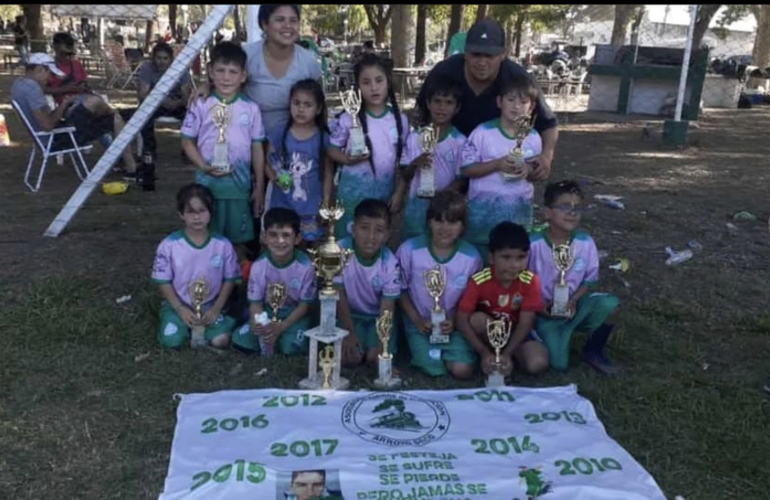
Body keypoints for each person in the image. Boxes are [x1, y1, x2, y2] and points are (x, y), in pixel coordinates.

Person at [416, 18, 558, 182]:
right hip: (448, 164)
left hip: (496, 171)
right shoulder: (444, 71)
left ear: (503, 54)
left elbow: (548, 123)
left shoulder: (518, 78)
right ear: (465, 53)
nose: (482, 62)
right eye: (476, 54)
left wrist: (546, 157)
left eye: (489, 55)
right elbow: (422, 113)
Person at [181, 42, 265, 255]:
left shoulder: (251, 108)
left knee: (238, 243)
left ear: (243, 76)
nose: (226, 77)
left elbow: (257, 148)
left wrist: (259, 186)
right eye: (220, 70)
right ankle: (210, 284)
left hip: (239, 187)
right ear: (210, 72)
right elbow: (187, 141)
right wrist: (203, 165)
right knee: (208, 240)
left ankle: (233, 284)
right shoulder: (200, 103)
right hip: (207, 189)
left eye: (233, 72)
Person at [528, 180, 620, 374]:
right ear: (547, 212)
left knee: (610, 305)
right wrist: (540, 308)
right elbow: (523, 282)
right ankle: (539, 333)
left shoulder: (585, 242)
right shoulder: (533, 244)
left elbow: (589, 280)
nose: (572, 212)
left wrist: (574, 300)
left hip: (574, 306)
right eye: (564, 206)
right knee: (558, 365)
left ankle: (594, 350)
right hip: (542, 311)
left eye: (577, 207)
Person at [193, 5, 322, 134]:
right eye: (280, 19)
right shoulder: (246, 56)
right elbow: (225, 80)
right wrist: (208, 87)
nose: (287, 25)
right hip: (246, 137)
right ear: (265, 24)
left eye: (293, 20)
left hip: (293, 141)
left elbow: (319, 103)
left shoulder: (308, 61)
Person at [396, 191, 482, 379]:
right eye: (439, 221)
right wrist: (417, 320)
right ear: (429, 222)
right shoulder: (409, 250)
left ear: (462, 226)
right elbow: (400, 290)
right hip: (419, 324)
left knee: (462, 370)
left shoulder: (472, 257)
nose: (445, 228)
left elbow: (472, 298)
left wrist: (455, 322)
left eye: (452, 222)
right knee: (433, 367)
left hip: (452, 325)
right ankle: (422, 349)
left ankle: (453, 351)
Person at [11, 53, 138, 177]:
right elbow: (47, 125)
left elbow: (46, 119)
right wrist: (64, 105)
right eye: (49, 73)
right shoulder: (32, 88)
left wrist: (66, 104)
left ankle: (131, 166)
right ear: (39, 69)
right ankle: (131, 166)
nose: (50, 79)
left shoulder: (19, 84)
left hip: (53, 135)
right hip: (57, 139)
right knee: (97, 103)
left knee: (100, 109)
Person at [460, 72, 543, 262]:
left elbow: (534, 169)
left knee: (511, 268)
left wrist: (527, 170)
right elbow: (467, 169)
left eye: (523, 102)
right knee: (480, 268)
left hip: (518, 216)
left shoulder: (533, 137)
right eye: (511, 99)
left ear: (532, 107)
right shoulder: (482, 133)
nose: (516, 106)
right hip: (483, 219)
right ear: (499, 102)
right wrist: (497, 164)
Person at [327, 53, 409, 239]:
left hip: (381, 197)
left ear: (388, 81)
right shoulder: (349, 118)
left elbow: (405, 162)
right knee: (347, 246)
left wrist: (399, 192)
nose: (374, 87)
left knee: (373, 244)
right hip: (350, 197)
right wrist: (346, 159)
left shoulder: (399, 121)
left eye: (379, 80)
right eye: (366, 82)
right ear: (358, 86)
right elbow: (331, 150)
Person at [456, 221, 550, 379]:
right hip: (489, 331)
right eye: (506, 257)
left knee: (537, 364)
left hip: (517, 333)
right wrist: (483, 351)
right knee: (477, 319)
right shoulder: (479, 280)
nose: (514, 265)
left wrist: (507, 353)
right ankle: (489, 355)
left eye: (521, 257)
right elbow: (461, 319)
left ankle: (507, 357)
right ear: (492, 257)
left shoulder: (531, 281)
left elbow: (526, 322)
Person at [151, 184, 241, 349]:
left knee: (220, 341)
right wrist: (179, 308)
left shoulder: (222, 245)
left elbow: (230, 280)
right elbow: (163, 281)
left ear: (210, 213)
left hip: (210, 305)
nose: (197, 217)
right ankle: (178, 322)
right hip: (179, 304)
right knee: (171, 341)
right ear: (181, 215)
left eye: (201, 211)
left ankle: (213, 325)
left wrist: (216, 308)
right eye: (191, 212)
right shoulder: (169, 245)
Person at [233, 207, 317, 355]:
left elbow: (304, 306)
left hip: (293, 315)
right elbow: (255, 303)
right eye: (273, 235)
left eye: (286, 235)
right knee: (242, 340)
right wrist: (257, 321)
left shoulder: (305, 266)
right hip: (267, 312)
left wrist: (281, 326)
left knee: (290, 347)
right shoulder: (259, 265)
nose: (280, 241)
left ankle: (285, 335)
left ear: (297, 238)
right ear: (264, 237)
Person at [335, 199, 401, 368]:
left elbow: (387, 307)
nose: (371, 237)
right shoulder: (338, 252)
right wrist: (349, 332)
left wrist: (381, 344)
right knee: (350, 359)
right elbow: (338, 294)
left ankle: (373, 345)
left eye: (379, 230)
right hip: (349, 315)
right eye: (364, 228)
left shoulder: (389, 262)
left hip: (376, 319)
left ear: (387, 235)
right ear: (353, 229)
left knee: (375, 359)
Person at [264, 79, 330, 245]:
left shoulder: (323, 137)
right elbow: (267, 160)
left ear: (319, 108)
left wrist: (326, 202)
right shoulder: (280, 132)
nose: (301, 109)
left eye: (308, 105)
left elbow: (328, 172)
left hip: (311, 208)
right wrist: (274, 177)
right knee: (282, 246)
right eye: (296, 103)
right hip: (282, 205)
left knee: (309, 249)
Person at [398, 79, 466, 239]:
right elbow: (404, 173)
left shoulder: (460, 141)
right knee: (415, 250)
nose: (442, 107)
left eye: (448, 103)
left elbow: (463, 179)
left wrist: (442, 197)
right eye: (437, 101)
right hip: (416, 210)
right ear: (428, 103)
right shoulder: (415, 137)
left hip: (445, 213)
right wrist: (415, 163)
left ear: (457, 108)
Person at [129, 42, 192, 159]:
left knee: (193, 116)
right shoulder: (147, 68)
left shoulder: (180, 69)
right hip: (154, 104)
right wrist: (162, 101)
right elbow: (142, 94)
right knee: (143, 115)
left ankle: (188, 150)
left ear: (171, 59)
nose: (162, 61)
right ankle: (149, 150)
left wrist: (177, 103)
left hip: (177, 103)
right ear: (153, 58)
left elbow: (186, 95)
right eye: (158, 58)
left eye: (165, 58)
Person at [45, 32, 91, 106]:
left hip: (84, 98)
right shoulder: (48, 67)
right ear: (55, 48)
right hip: (65, 104)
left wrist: (83, 86)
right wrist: (64, 89)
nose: (67, 57)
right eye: (63, 54)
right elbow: (42, 89)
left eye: (70, 54)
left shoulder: (77, 64)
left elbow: (86, 82)